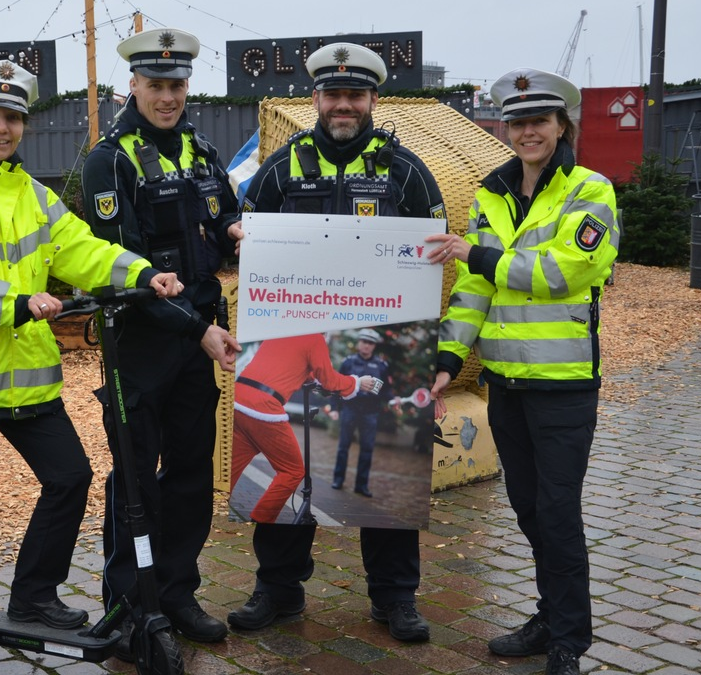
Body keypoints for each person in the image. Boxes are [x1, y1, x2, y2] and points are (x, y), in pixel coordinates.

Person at [0, 60, 181, 675]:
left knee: (69, 476)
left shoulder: (31, 192)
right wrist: (15, 302)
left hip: (24, 377)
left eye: (13, 118)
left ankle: (31, 595)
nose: (2, 128)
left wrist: (140, 272)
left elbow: (82, 248)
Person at [227, 43, 445, 644]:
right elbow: (243, 242)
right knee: (293, 469)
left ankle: (394, 599)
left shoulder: (407, 170)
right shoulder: (279, 167)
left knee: (390, 478)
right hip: (293, 340)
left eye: (355, 95)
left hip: (384, 334)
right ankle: (277, 589)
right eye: (333, 94)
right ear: (316, 99)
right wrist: (241, 239)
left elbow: (438, 252)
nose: (343, 105)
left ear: (373, 100)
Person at [426, 68, 619, 675]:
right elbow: (474, 292)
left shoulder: (591, 190)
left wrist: (477, 253)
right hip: (505, 385)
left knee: (558, 511)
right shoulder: (493, 193)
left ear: (563, 125)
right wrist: (448, 359)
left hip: (562, 388)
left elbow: (564, 271)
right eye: (517, 122)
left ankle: (568, 639)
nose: (527, 131)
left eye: (539, 120)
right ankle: (549, 615)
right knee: (530, 508)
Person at [81, 27, 244, 650]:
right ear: (134, 85)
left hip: (197, 334)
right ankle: (128, 606)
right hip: (143, 344)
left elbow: (222, 210)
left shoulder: (201, 149)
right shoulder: (110, 159)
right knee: (135, 479)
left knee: (189, 475)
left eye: (176, 85)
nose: (167, 96)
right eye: (156, 85)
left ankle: (176, 593)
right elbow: (125, 269)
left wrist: (237, 230)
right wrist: (200, 330)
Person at [230, 333, 378, 523]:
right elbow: (329, 379)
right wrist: (356, 382)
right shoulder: (314, 337)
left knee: (233, 464)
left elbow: (290, 363)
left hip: (239, 398)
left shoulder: (285, 329)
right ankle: (262, 520)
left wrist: (311, 378)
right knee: (292, 471)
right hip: (263, 407)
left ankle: (211, 505)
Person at [328, 328, 391, 497]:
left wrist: (394, 400)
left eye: (370, 343)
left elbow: (387, 390)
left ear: (374, 346)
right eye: (364, 341)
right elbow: (337, 386)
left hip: (370, 412)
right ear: (358, 343)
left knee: (367, 449)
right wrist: (334, 408)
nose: (366, 346)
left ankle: (361, 485)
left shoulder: (381, 365)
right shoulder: (348, 362)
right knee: (343, 447)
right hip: (350, 409)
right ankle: (338, 479)